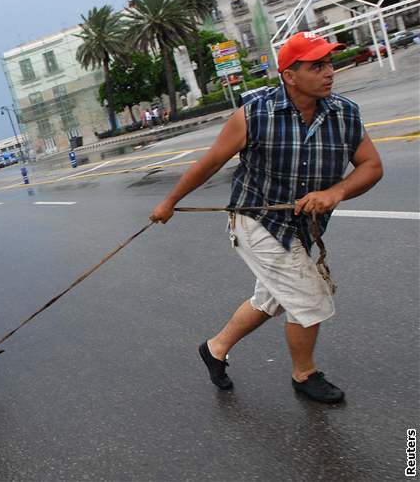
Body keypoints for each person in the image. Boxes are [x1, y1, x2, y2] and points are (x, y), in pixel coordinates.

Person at [149, 32, 383, 404]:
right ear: (289, 75)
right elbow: (210, 162)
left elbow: (371, 166)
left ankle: (215, 348)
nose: (329, 72)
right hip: (256, 221)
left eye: (329, 63)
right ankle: (304, 374)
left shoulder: (344, 113)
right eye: (316, 66)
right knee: (309, 298)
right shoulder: (254, 114)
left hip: (304, 228)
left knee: (272, 298)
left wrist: (336, 192)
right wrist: (169, 201)